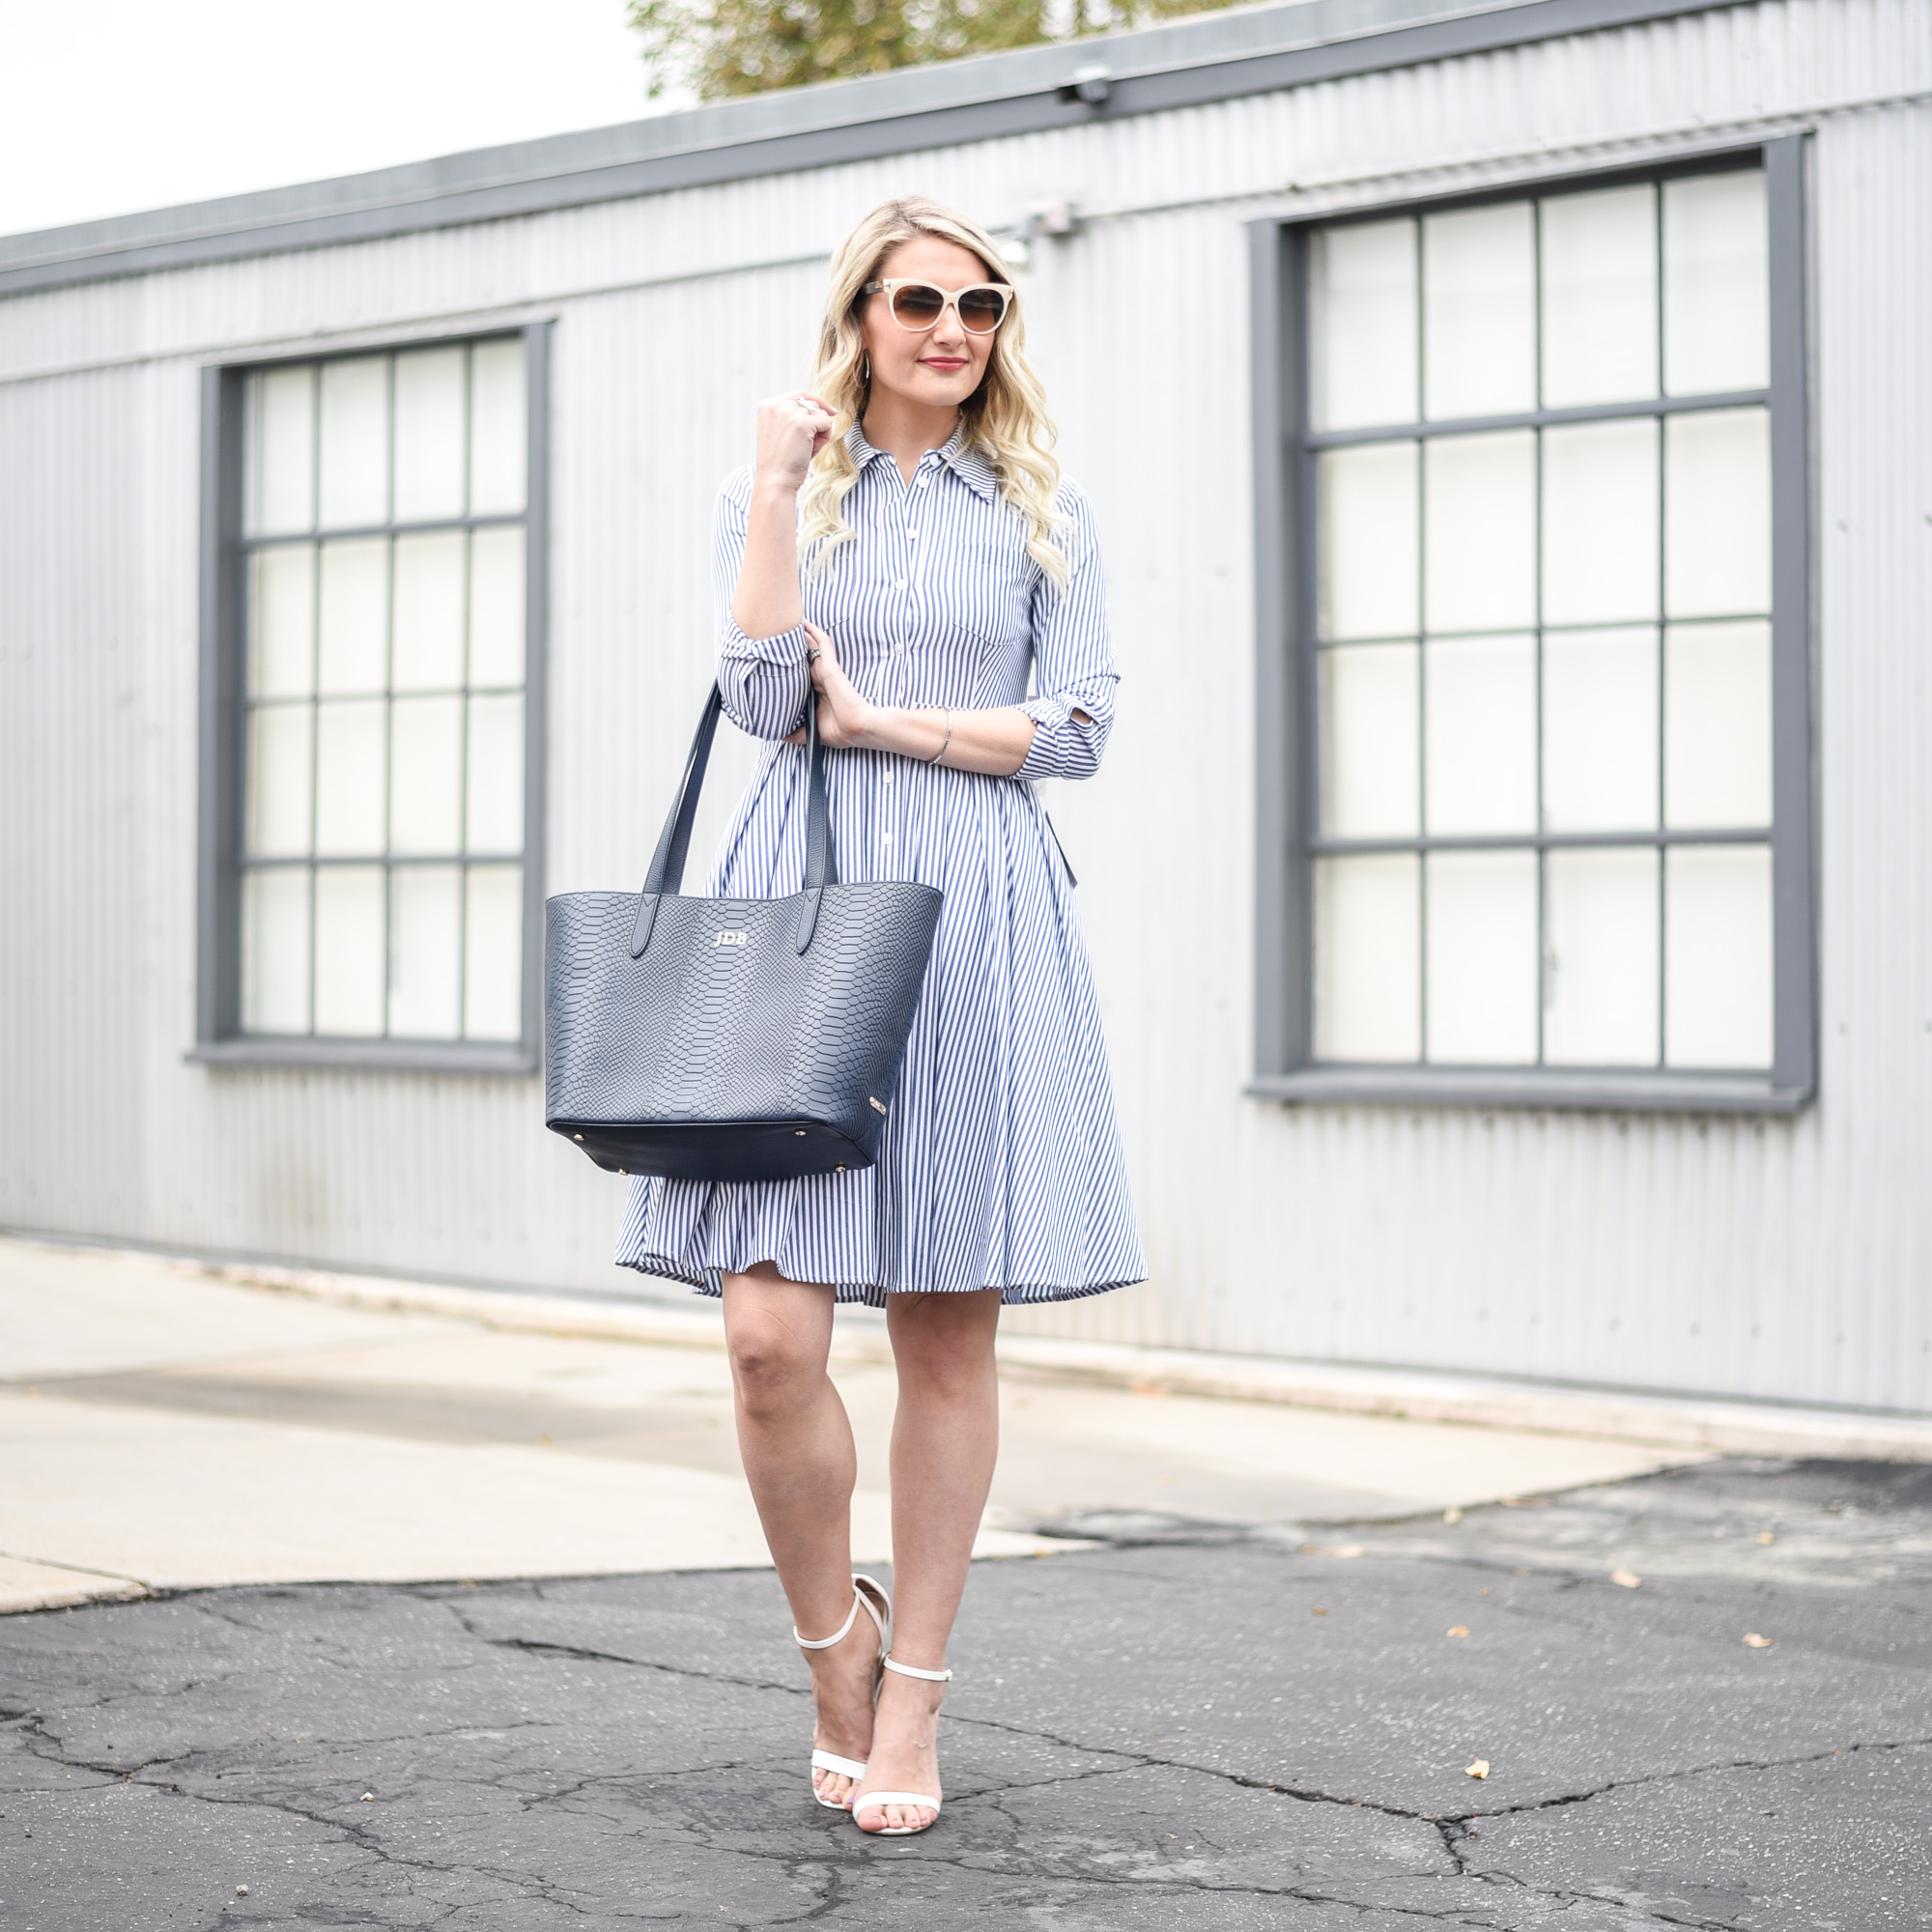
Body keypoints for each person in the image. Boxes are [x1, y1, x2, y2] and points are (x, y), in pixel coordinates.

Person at [615, 196, 1143, 1835]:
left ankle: (914, 1695)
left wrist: (899, 722)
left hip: (982, 922)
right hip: (808, 921)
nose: (956, 330)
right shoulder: (770, 493)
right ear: (859, 315)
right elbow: (767, 699)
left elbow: (1077, 729)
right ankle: (829, 1644)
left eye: (984, 305)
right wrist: (777, 487)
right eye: (923, 300)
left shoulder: (1041, 509)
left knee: (942, 1323)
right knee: (771, 1338)